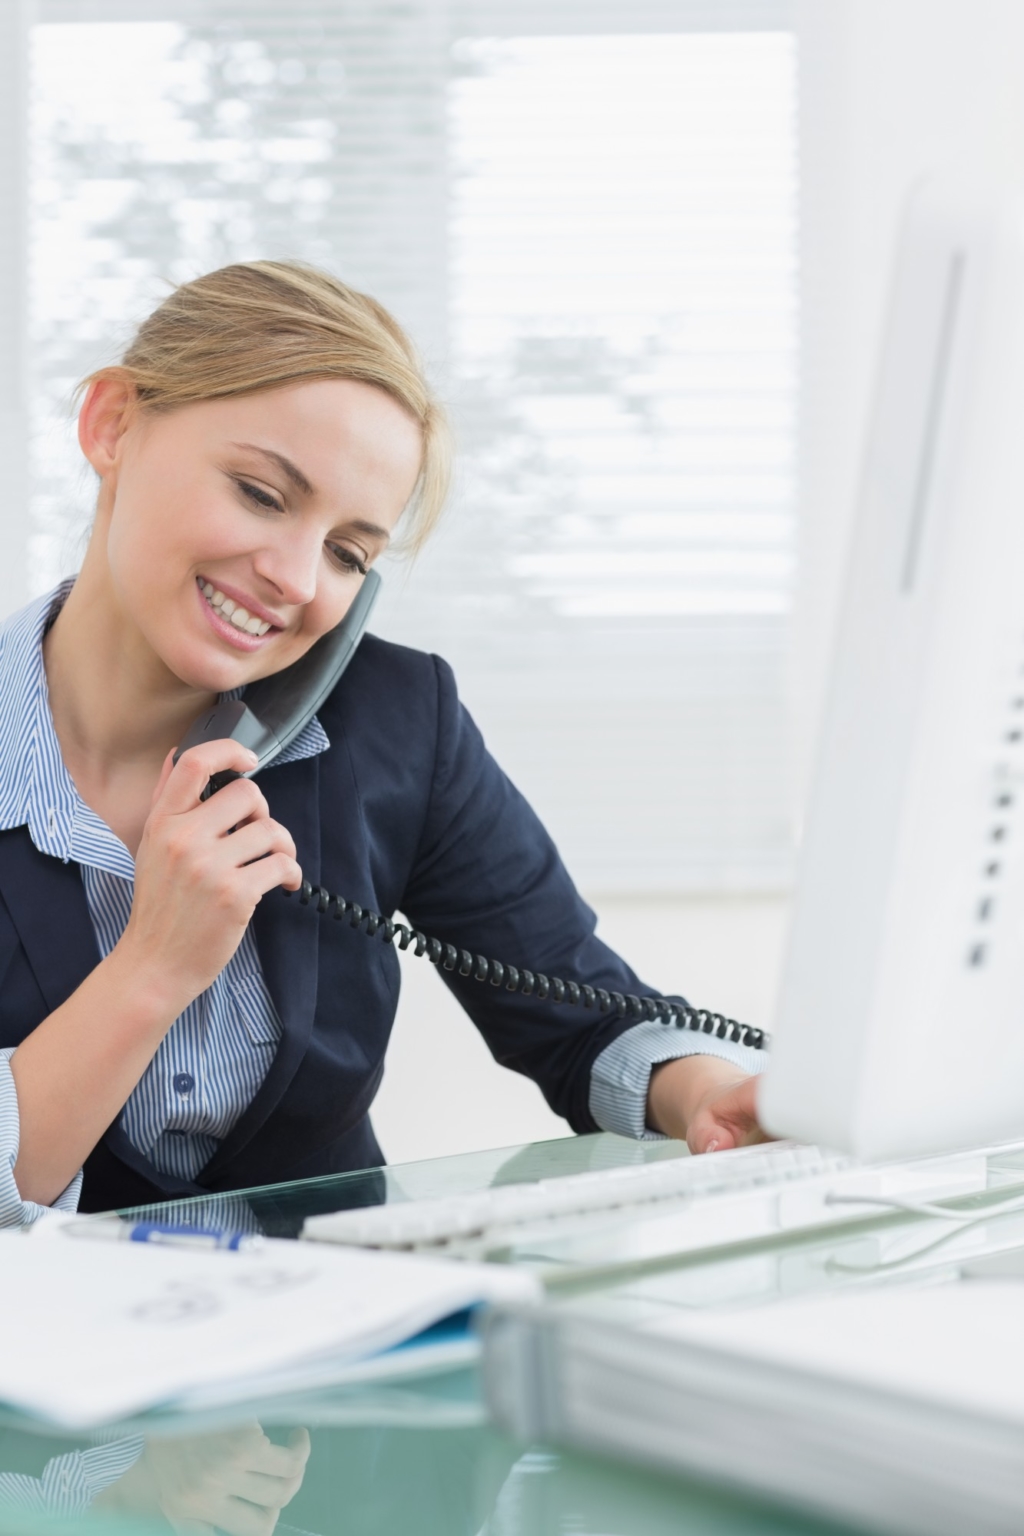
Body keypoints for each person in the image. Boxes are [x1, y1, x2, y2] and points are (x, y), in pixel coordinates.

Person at [0, 261, 764, 1226]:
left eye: (348, 552)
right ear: (112, 425)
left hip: (338, 1326)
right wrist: (154, 966)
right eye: (262, 493)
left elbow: (581, 1012)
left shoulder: (396, 719)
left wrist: (703, 1094)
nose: (293, 577)